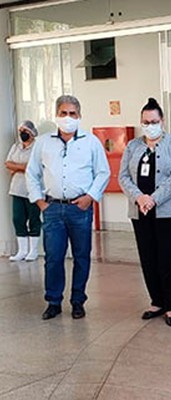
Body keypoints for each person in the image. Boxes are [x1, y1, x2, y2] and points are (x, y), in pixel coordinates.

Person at [26, 95, 110, 320]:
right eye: (63, 113)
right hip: (52, 207)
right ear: (56, 115)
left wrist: (90, 197)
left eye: (72, 114)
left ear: (79, 116)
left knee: (82, 256)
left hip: (80, 208)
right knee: (53, 257)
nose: (68, 118)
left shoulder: (91, 142)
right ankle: (53, 301)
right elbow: (32, 173)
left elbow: (103, 172)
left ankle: (78, 301)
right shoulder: (43, 142)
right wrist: (40, 202)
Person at [118, 98, 171, 327]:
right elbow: (123, 177)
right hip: (140, 211)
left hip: (168, 211)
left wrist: (153, 199)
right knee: (148, 257)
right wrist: (139, 198)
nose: (150, 125)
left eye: (154, 121)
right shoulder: (133, 146)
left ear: (162, 121)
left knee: (168, 258)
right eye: (145, 122)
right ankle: (156, 301)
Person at [5, 120, 41, 261]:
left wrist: (17, 167)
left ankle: (33, 251)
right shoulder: (16, 146)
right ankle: (22, 251)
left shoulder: (37, 147)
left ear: (31, 133)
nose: (22, 134)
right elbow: (8, 163)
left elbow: (34, 167)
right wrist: (22, 167)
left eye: (25, 131)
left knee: (34, 219)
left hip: (32, 190)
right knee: (18, 219)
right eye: (20, 131)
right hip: (17, 189)